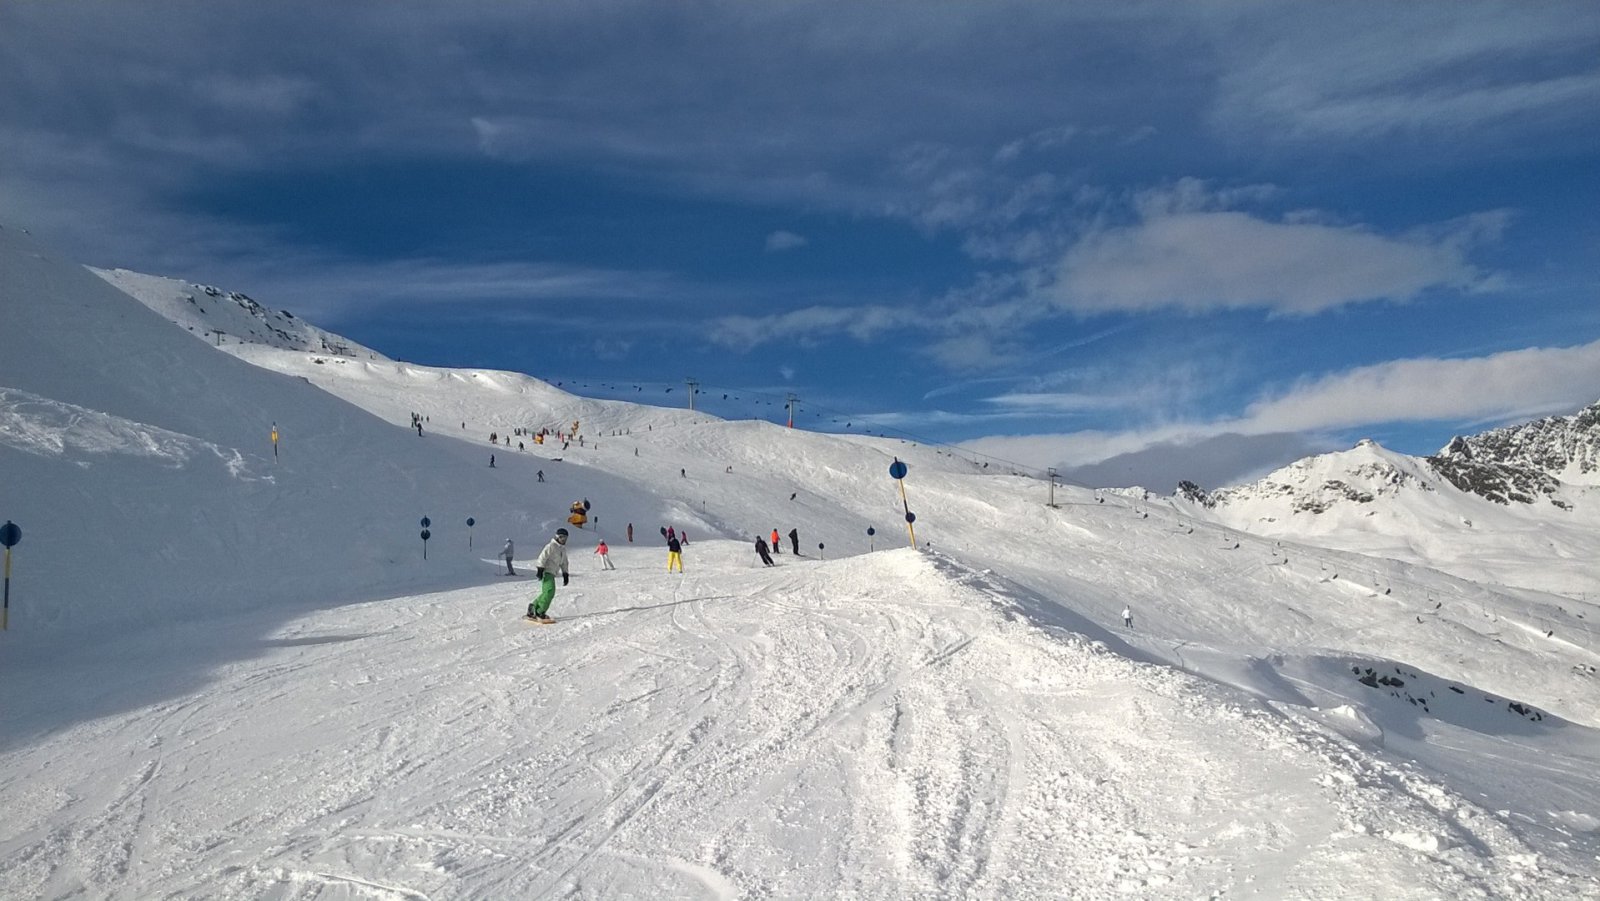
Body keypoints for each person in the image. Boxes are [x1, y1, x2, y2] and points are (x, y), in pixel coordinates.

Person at [528, 528, 571, 621]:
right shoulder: (551, 546)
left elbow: (564, 562)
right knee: (550, 591)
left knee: (546, 592)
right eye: (562, 538)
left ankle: (533, 608)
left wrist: (565, 574)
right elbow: (542, 557)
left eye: (565, 538)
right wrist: (540, 569)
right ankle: (540, 611)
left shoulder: (562, 549)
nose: (563, 540)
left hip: (552, 573)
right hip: (546, 571)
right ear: (557, 537)